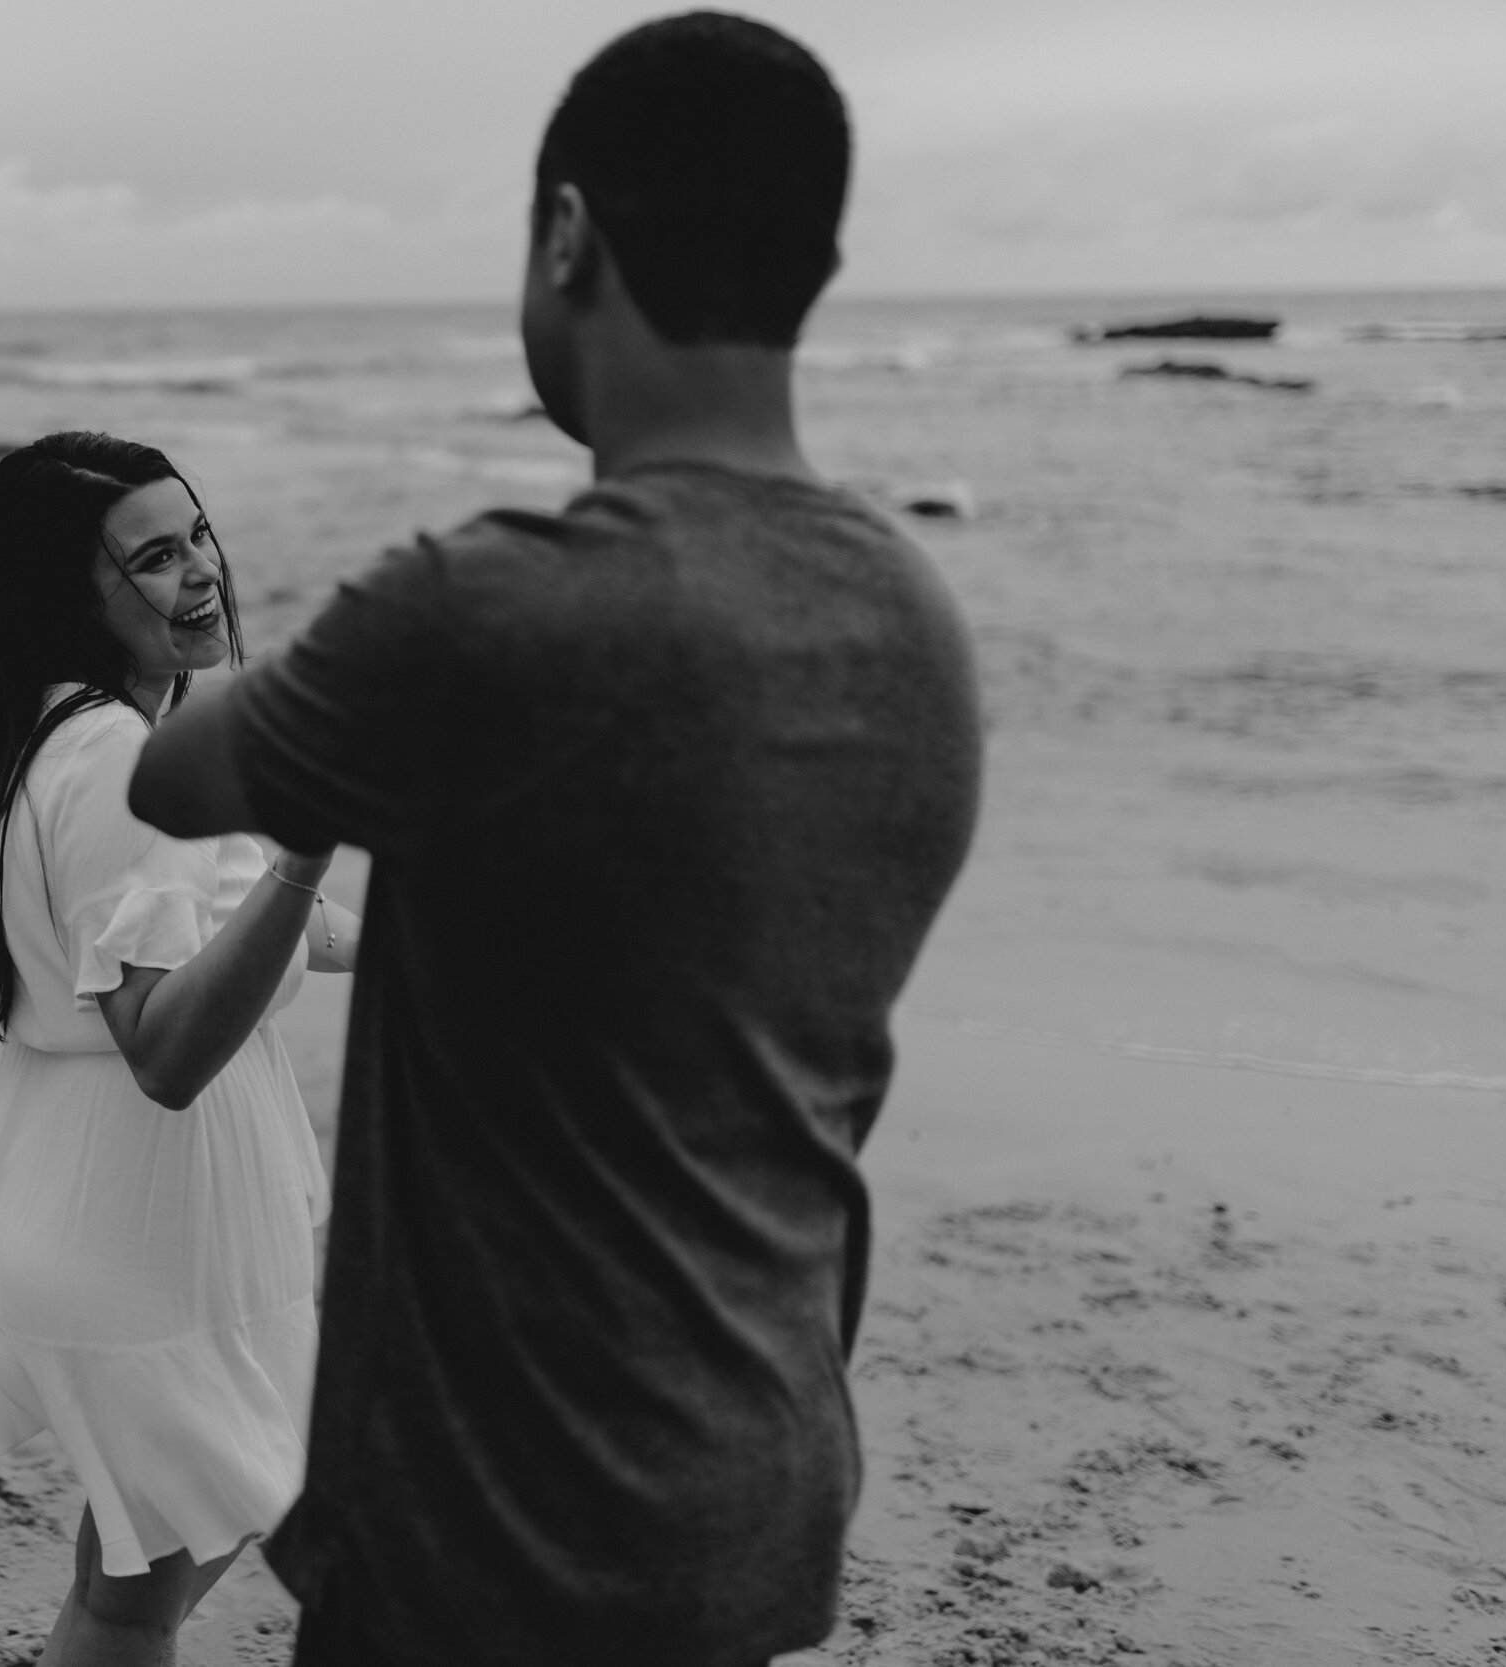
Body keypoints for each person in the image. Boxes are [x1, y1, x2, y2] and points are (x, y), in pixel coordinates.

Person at [129, 15, 983, 1666]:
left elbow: (176, 776)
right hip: (751, 1496)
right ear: (815, 262)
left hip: (484, 1540)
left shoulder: (486, 610)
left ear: (569, 237)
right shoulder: (916, 626)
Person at [0, 430, 361, 1667]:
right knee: (142, 1600)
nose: (200, 571)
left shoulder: (82, 730)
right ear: (70, 597)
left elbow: (240, 917)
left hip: (121, 1225)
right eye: (153, 557)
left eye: (196, 532)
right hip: (138, 1250)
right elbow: (160, 1044)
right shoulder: (113, 761)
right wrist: (307, 848)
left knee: (129, 1596)